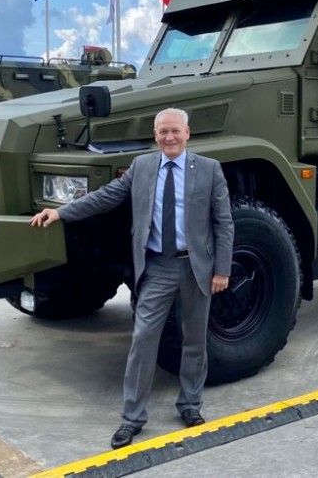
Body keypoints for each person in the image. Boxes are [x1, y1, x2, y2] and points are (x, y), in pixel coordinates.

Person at [29, 108, 233, 449]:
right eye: (163, 131)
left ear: (187, 133)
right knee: (143, 340)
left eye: (175, 131)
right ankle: (132, 419)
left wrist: (222, 270)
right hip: (157, 268)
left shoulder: (209, 169)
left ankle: (190, 404)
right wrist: (61, 212)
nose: (169, 137)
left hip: (196, 268)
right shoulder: (142, 167)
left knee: (195, 341)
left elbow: (224, 222)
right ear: (155, 135)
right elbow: (105, 196)